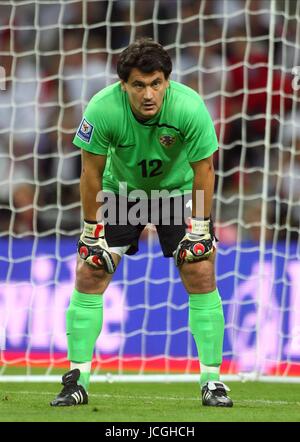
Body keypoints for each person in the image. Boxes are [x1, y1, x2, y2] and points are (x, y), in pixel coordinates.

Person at [50, 38, 233, 408]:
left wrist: (199, 228)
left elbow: (205, 170)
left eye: (156, 83)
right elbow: (90, 171)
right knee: (91, 270)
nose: (148, 94)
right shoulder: (102, 109)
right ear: (124, 85)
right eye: (138, 84)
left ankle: (212, 382)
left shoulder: (190, 107)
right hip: (122, 193)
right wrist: (90, 231)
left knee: (199, 269)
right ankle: (76, 380)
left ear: (166, 81)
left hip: (177, 193)